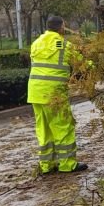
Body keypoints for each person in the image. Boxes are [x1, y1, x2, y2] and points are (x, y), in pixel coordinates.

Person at [27, 16, 88, 174]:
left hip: (35, 92)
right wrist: (97, 65)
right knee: (63, 127)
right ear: (61, 27)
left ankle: (47, 165)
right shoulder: (65, 46)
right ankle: (68, 164)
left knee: (44, 129)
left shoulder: (36, 44)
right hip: (54, 93)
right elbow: (80, 64)